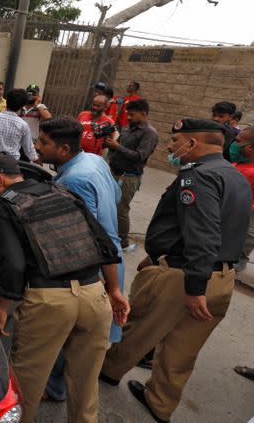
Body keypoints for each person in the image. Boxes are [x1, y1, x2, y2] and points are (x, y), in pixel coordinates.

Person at [100, 118, 250, 423]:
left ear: (192, 143)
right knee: (183, 348)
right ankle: (160, 404)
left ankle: (108, 372)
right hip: (222, 277)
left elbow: (202, 235)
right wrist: (156, 256)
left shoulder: (198, 178)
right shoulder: (234, 176)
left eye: (175, 140)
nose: (169, 146)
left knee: (138, 328)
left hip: (186, 277)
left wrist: (194, 288)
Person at [0, 152, 125, 423]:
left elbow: (14, 265)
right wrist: (114, 291)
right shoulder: (63, 193)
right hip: (95, 296)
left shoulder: (4, 207)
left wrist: (2, 308)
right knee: (86, 381)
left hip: (49, 302)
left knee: (26, 384)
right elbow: (106, 245)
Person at [35, 115, 128, 402]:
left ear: (63, 149)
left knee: (73, 333)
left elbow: (89, 234)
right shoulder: (94, 161)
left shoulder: (74, 180)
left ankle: (55, 388)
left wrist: (109, 287)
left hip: (95, 266)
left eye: (43, 142)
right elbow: (116, 195)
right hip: (111, 260)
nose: (37, 146)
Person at [105, 99, 158, 252]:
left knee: (121, 211)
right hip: (114, 172)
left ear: (144, 114)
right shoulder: (128, 128)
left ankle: (123, 243)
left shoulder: (149, 133)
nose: (128, 117)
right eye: (128, 114)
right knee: (108, 205)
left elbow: (140, 155)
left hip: (128, 177)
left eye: (132, 114)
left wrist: (118, 146)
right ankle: (108, 235)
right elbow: (117, 148)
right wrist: (110, 145)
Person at [0, 88, 38, 162]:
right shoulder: (23, 125)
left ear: (7, 101)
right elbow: (29, 149)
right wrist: (37, 160)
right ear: (22, 106)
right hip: (10, 165)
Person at [230, 126, 254, 272]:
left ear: (250, 147)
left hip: (241, 222)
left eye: (238, 141)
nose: (233, 145)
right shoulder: (235, 165)